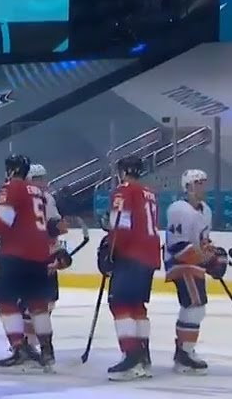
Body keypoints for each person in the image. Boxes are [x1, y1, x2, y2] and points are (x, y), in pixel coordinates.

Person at [0, 153, 60, 372]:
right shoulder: (38, 192)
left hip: (16, 254)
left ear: (11, 169)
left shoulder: (12, 187)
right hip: (40, 254)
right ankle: (47, 351)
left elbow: (3, 224)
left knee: (5, 300)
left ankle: (19, 348)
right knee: (38, 304)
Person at [99, 154, 162, 381]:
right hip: (150, 255)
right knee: (137, 306)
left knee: (119, 303)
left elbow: (121, 225)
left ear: (123, 172)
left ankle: (131, 357)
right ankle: (143, 357)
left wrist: (112, 251)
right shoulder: (150, 193)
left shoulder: (123, 190)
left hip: (131, 255)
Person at [164, 168, 227, 375]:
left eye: (203, 183)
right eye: (197, 183)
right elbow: (177, 246)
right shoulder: (178, 210)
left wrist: (214, 255)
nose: (202, 187)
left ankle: (184, 352)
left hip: (193, 262)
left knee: (196, 307)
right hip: (180, 263)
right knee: (194, 306)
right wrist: (206, 260)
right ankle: (184, 355)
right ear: (187, 187)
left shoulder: (205, 210)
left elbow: (203, 242)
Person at [20, 163, 68, 353]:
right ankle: (30, 345)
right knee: (29, 306)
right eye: (36, 179)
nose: (41, 182)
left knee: (46, 304)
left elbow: (56, 226)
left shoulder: (48, 198)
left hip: (46, 255)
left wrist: (58, 248)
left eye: (42, 178)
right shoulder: (23, 198)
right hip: (29, 258)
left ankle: (42, 347)